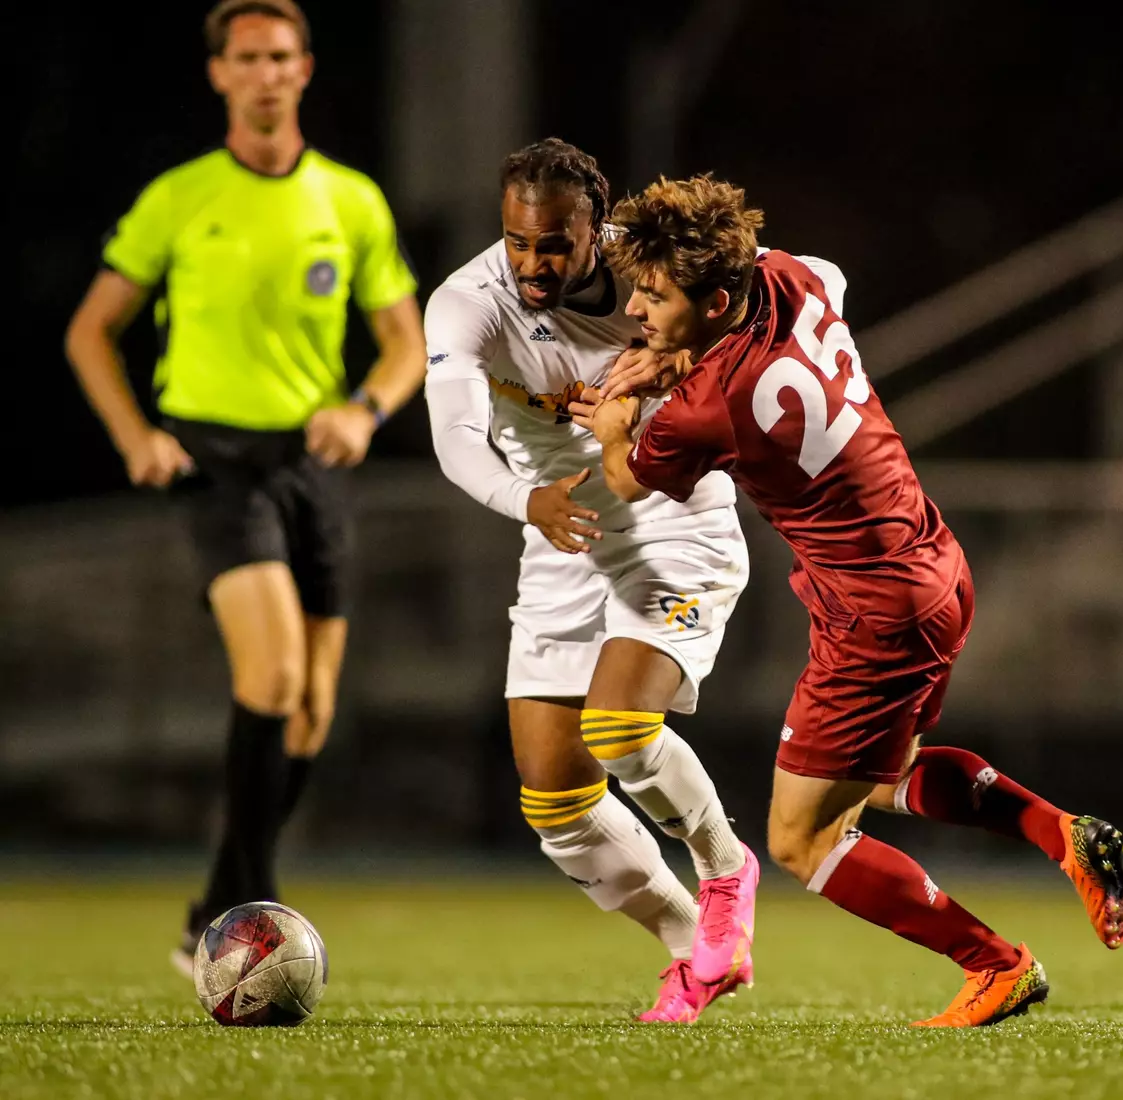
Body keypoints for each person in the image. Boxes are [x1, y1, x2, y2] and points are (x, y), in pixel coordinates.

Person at [576, 175, 1123, 1028]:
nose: (637, 311)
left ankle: (997, 964)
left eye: (654, 296)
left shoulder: (708, 406)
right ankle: (1059, 833)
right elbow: (829, 274)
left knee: (801, 841)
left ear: (717, 298)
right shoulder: (787, 277)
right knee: (886, 782)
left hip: (873, 612)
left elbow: (626, 478)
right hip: (938, 568)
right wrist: (678, 340)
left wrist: (618, 423)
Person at [64, 0, 427, 974]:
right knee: (266, 677)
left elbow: (405, 343)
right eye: (247, 58)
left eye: (281, 56)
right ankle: (249, 930)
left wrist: (364, 412)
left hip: (311, 464)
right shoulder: (179, 196)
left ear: (305, 68)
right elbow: (89, 329)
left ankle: (208, 912)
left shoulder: (349, 200)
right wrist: (136, 433)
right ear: (219, 74)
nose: (266, 73)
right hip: (213, 462)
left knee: (308, 707)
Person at [422, 140, 758, 1023]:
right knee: (555, 798)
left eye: (554, 245)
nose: (533, 264)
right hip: (558, 525)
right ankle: (696, 951)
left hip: (672, 519)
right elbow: (456, 436)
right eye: (517, 243)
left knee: (618, 723)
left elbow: (797, 289)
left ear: (593, 226)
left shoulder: (650, 268)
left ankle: (726, 869)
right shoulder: (468, 302)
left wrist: (691, 361)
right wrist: (523, 499)